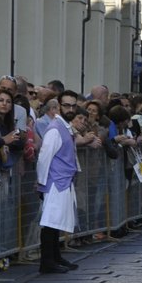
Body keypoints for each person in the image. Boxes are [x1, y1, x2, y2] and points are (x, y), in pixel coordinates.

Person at [34, 97, 80, 274]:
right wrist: (41, 183)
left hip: (63, 181)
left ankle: (55, 257)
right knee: (50, 222)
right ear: (58, 107)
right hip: (55, 181)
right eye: (66, 105)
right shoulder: (55, 129)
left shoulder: (64, 127)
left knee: (56, 221)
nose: (70, 108)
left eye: (73, 106)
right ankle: (47, 261)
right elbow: (44, 157)